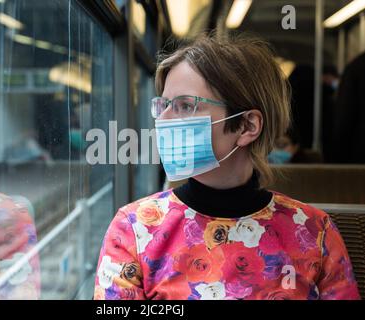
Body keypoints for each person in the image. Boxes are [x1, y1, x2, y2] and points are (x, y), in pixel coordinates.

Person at [93, 32, 360, 300]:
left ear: (247, 125)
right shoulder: (133, 229)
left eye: (185, 106)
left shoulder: (315, 233)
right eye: (163, 105)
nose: (163, 120)